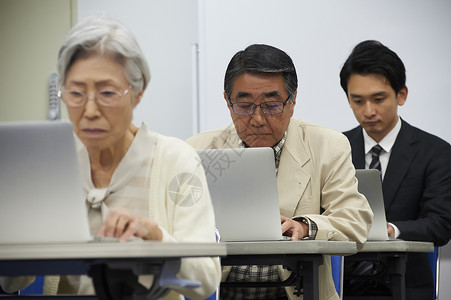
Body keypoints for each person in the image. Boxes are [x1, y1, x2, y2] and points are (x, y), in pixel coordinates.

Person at [0, 15, 221, 300]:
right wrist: (15, 228)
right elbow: (10, 282)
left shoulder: (175, 160)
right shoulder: (47, 166)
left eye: (106, 92)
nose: (90, 110)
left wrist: (155, 237)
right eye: (76, 93)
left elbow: (205, 281)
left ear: (138, 92)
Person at [186, 44, 373, 300]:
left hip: (297, 292)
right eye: (244, 105)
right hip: (220, 290)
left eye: (272, 105)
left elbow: (355, 221)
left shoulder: (327, 145)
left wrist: (306, 227)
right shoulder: (197, 149)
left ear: (293, 101)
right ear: (228, 103)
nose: (258, 119)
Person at [340, 40, 451, 299]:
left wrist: (391, 230)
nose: (368, 111)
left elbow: (441, 224)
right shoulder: (337, 148)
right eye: (357, 101)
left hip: (405, 286)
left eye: (378, 99)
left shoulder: (435, 152)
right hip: (341, 285)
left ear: (402, 94)